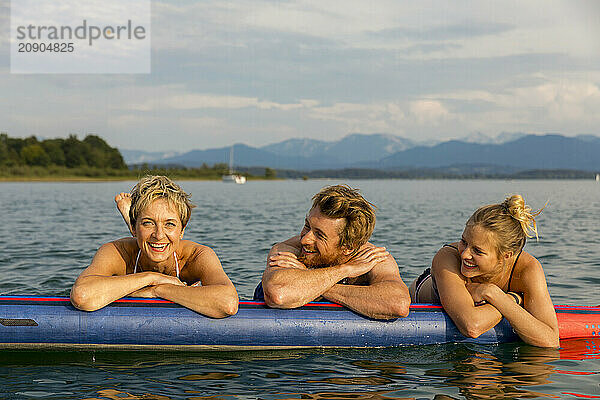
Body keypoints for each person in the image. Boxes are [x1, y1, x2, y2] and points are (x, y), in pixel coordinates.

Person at [70, 175, 238, 318]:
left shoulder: (196, 256)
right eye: (148, 223)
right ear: (134, 229)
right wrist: (151, 277)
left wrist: (157, 290)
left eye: (170, 224)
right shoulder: (118, 252)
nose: (159, 234)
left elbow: (228, 303)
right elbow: (82, 296)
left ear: (182, 231)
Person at [410, 195, 559, 347]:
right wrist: (515, 299)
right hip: (420, 297)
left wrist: (492, 293)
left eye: (477, 251)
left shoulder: (527, 269)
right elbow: (472, 326)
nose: (465, 254)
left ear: (506, 255)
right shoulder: (448, 257)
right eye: (464, 242)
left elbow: (550, 341)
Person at [256, 185, 410, 320]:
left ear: (348, 247)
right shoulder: (289, 249)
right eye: (307, 225)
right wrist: (345, 270)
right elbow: (278, 293)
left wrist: (309, 280)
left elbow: (398, 304)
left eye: (320, 235)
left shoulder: (372, 258)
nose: (305, 240)